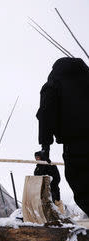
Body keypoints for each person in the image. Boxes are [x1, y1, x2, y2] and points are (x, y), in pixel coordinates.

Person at [36, 57, 89, 217]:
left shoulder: (55, 82)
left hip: (77, 147)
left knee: (84, 190)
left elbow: (46, 112)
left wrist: (45, 145)